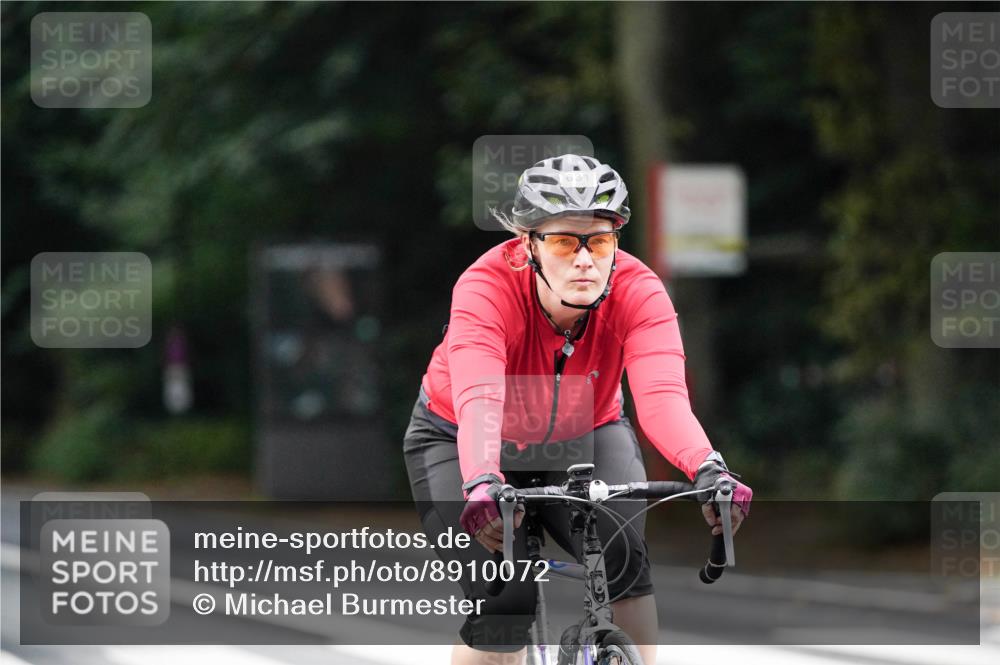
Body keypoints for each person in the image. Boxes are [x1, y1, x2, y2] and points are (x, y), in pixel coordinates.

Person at [404, 154, 752, 665]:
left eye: (601, 241)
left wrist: (706, 465)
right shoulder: (485, 289)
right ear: (528, 246)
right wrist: (481, 478)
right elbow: (479, 398)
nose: (585, 259)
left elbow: (662, 398)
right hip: (461, 435)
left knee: (625, 560)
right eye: (566, 241)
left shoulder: (639, 291)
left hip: (584, 429)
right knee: (507, 600)